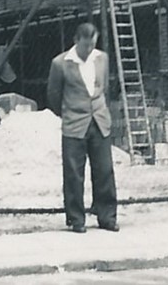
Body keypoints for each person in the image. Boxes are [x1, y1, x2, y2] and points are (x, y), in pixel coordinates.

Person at [46, 22, 119, 233]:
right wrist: (70, 113)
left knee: (104, 170)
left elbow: (103, 87)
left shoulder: (102, 59)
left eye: (92, 45)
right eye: (85, 45)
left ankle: (107, 217)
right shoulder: (60, 64)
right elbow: (53, 95)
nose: (89, 50)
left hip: (99, 122)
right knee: (73, 174)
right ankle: (76, 219)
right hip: (74, 124)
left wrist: (99, 110)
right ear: (76, 41)